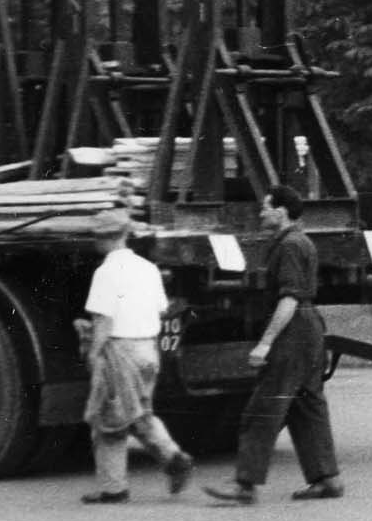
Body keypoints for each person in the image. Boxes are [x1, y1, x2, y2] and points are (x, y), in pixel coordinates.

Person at [205, 186, 343, 504]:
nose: (260, 212)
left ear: (281, 213)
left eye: (266, 208)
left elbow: (290, 297)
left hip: (293, 331)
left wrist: (265, 343)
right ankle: (327, 479)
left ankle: (245, 485)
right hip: (310, 330)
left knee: (264, 407)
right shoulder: (300, 241)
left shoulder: (290, 246)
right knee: (307, 406)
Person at [77, 209, 194, 504]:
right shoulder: (148, 268)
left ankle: (114, 488)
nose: (96, 242)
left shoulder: (105, 273)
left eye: (98, 237)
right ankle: (173, 458)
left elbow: (103, 319)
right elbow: (161, 309)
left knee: (108, 420)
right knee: (140, 413)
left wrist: (93, 352)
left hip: (120, 351)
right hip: (148, 350)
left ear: (107, 238)